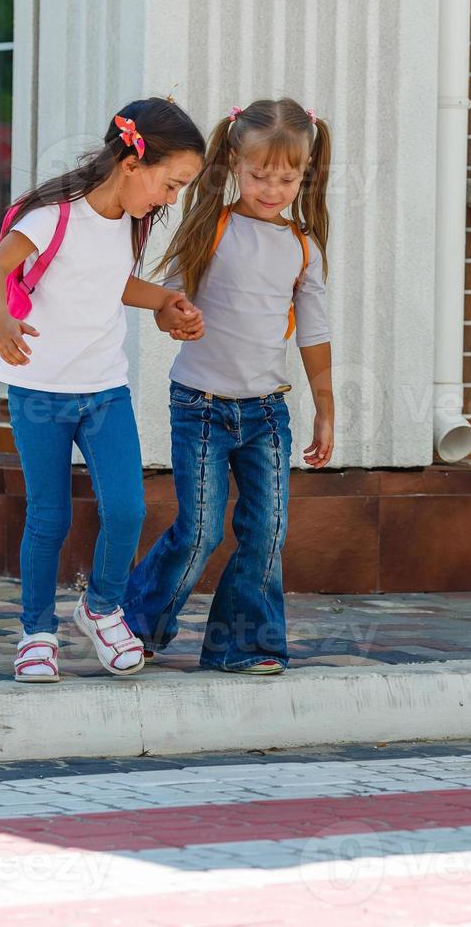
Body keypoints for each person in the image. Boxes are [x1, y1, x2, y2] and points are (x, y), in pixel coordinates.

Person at [0, 98, 207, 683]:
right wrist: (1, 322)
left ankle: (101, 609)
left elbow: (110, 283)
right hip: (39, 392)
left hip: (104, 390)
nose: (171, 199)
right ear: (132, 162)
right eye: (171, 184)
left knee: (127, 509)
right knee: (48, 517)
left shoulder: (130, 221)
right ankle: (36, 632)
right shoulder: (51, 216)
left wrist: (165, 302)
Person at [124, 98, 336, 675]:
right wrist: (177, 318)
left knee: (266, 534)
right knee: (200, 530)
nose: (272, 187)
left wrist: (326, 407)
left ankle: (244, 644)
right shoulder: (211, 227)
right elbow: (168, 301)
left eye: (287, 177)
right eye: (259, 174)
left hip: (268, 413)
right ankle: (135, 624)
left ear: (306, 174)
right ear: (233, 166)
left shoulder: (303, 247)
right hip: (201, 406)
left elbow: (314, 333)